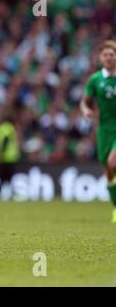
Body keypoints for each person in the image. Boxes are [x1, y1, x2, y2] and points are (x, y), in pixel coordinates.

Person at [80, 40, 116, 223]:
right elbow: (84, 101)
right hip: (104, 129)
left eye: (112, 54)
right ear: (101, 58)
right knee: (108, 170)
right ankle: (115, 206)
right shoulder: (95, 79)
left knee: (113, 161)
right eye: (106, 55)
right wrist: (86, 110)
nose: (109, 58)